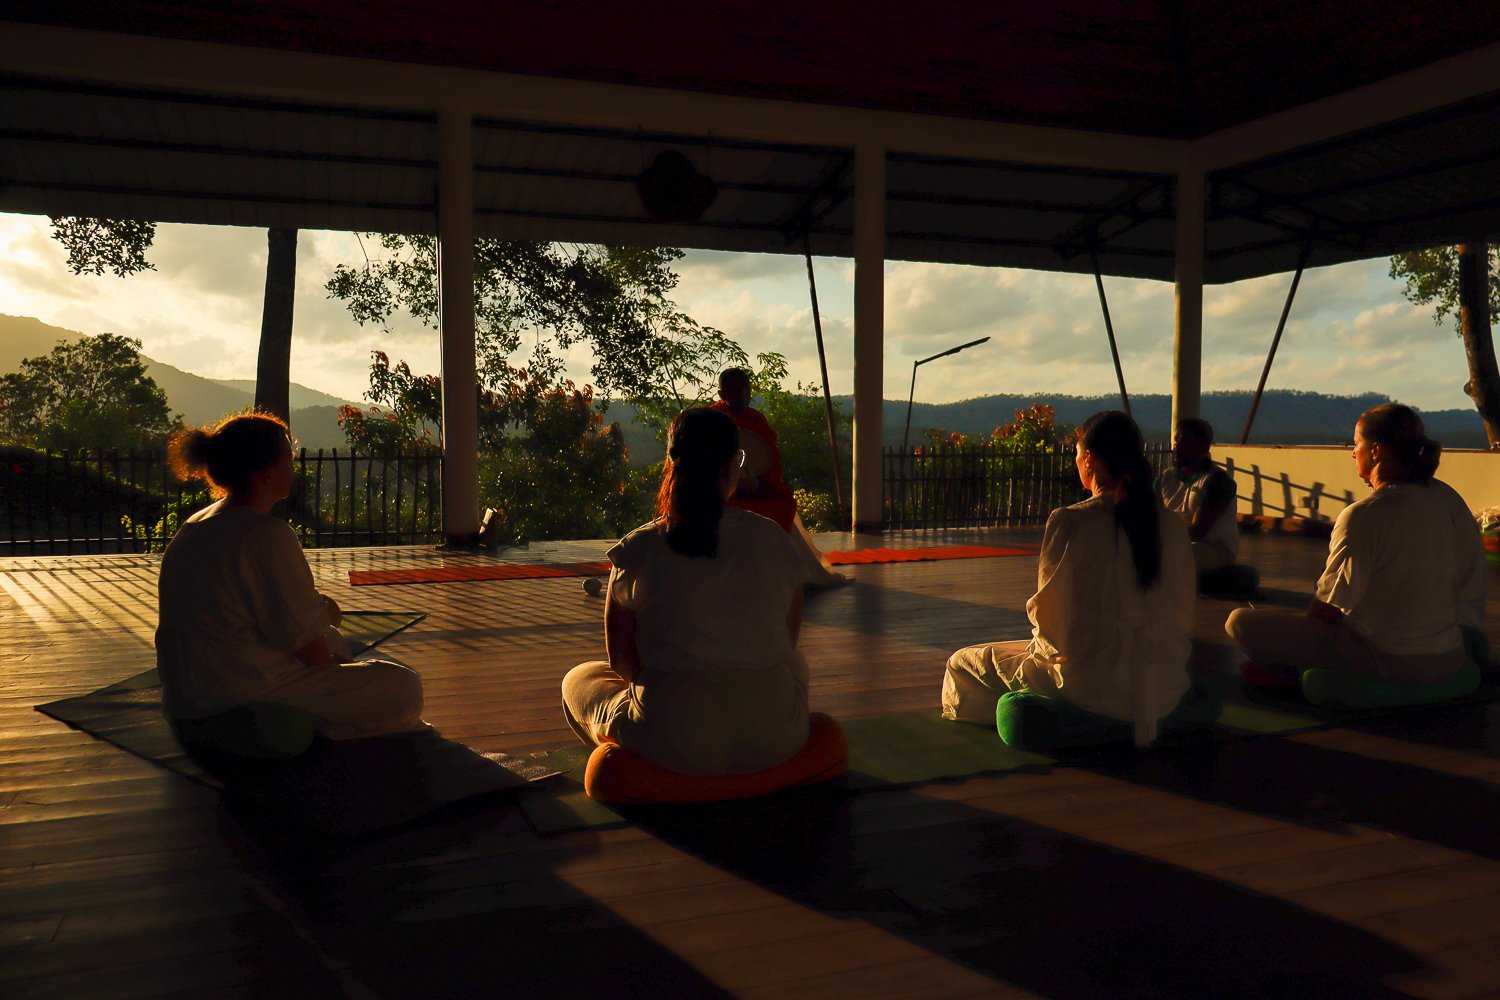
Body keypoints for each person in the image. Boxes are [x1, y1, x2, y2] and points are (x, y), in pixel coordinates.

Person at [561, 407, 811, 776]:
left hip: (676, 745)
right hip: (775, 738)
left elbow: (622, 663)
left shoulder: (638, 549)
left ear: (672, 466)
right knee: (791, 663)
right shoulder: (774, 538)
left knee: (578, 678)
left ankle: (642, 767)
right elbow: (788, 641)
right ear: (732, 466)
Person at [156, 412, 425, 751]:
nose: (292, 470)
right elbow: (306, 645)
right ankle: (331, 726)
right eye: (288, 460)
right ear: (265, 473)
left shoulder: (194, 524)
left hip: (187, 699)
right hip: (238, 698)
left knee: (334, 637)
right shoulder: (264, 534)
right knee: (403, 686)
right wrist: (337, 683)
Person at [942, 411, 1196, 744]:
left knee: (962, 663)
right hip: (1165, 682)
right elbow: (1183, 613)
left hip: (1093, 684)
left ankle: (1050, 721)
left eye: (1076, 454)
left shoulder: (1072, 521)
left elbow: (1051, 625)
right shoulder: (1172, 524)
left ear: (1089, 458)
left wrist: (1042, 658)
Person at [1226, 403, 1486, 685]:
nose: (1352, 451)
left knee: (1239, 622)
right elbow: (1471, 576)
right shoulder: (1447, 498)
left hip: (1388, 661)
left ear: (1375, 451)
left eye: (1356, 443)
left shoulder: (1363, 514)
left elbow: (1327, 611)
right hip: (1449, 656)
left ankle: (1293, 676)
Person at [712, 367, 798, 532]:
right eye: (735, 390)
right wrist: (734, 483)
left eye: (746, 388)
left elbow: (770, 461)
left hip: (757, 484)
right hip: (724, 489)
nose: (743, 394)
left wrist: (758, 484)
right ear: (722, 394)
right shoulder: (713, 419)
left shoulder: (757, 419)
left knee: (784, 503)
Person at [1157, 417, 1239, 574]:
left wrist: (1163, 540)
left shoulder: (1217, 480)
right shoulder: (1164, 478)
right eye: (1177, 439)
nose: (1178, 446)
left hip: (1213, 548)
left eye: (1186, 440)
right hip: (1175, 541)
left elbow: (1198, 531)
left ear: (1204, 446)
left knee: (1179, 554)